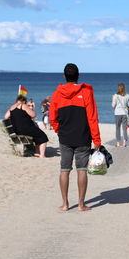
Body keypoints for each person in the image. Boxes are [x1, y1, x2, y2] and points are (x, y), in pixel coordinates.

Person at [49, 63, 101, 212]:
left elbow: (53, 118)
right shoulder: (86, 92)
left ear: (64, 76)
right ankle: (80, 204)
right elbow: (92, 118)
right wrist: (96, 139)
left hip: (65, 137)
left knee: (64, 169)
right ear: (78, 76)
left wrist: (60, 130)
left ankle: (65, 204)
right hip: (82, 137)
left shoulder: (57, 94)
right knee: (82, 170)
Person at [111, 83, 129, 147]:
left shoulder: (115, 96)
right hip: (124, 113)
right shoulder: (127, 95)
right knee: (124, 128)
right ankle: (124, 142)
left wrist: (112, 99)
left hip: (117, 113)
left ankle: (118, 143)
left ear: (118, 88)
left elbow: (113, 105)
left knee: (117, 128)